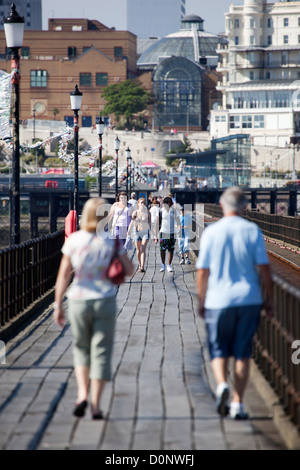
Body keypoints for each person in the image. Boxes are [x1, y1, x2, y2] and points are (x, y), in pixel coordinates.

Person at [196, 187, 274, 420]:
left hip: (218, 300)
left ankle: (221, 385)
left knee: (218, 348)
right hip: (249, 299)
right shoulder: (252, 230)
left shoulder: (212, 232)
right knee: (242, 351)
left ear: (222, 205)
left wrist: (202, 299)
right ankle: (238, 403)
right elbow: (264, 268)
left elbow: (202, 271)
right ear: (245, 207)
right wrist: (269, 298)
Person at [53, 198, 134, 420]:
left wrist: (57, 304)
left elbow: (63, 275)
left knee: (81, 348)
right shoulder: (111, 241)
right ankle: (96, 406)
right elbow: (129, 271)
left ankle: (82, 395)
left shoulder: (75, 240)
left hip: (78, 300)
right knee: (101, 352)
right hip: (104, 299)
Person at [154, 196, 181, 273]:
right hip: (163, 232)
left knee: (171, 249)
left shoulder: (174, 211)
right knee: (162, 249)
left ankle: (169, 265)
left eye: (169, 203)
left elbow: (178, 221)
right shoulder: (160, 211)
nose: (167, 204)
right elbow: (157, 223)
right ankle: (163, 265)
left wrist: (179, 229)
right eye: (166, 203)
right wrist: (155, 235)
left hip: (172, 232)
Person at [127, 198, 149, 272]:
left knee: (143, 248)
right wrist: (128, 231)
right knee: (138, 250)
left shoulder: (148, 213)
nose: (142, 204)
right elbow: (132, 222)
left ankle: (142, 266)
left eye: (143, 203)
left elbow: (152, 224)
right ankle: (140, 264)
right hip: (137, 232)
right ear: (138, 204)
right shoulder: (135, 212)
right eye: (141, 203)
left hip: (145, 232)